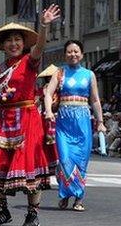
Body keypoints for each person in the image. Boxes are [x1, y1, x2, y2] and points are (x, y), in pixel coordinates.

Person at [0, 4, 61, 226]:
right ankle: (2, 211)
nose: (14, 43)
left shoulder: (29, 61)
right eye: (9, 40)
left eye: (18, 39)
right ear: (3, 45)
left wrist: (44, 26)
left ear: (23, 43)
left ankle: (32, 214)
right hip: (5, 122)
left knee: (29, 167)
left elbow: (40, 47)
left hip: (27, 119)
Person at [44, 40, 106, 211]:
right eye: (69, 51)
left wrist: (100, 122)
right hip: (64, 122)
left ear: (82, 54)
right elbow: (48, 94)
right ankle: (64, 195)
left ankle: (78, 198)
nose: (73, 54)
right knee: (65, 159)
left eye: (76, 51)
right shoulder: (59, 72)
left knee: (81, 161)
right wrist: (48, 111)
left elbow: (94, 100)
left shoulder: (89, 74)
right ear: (65, 54)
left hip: (83, 122)